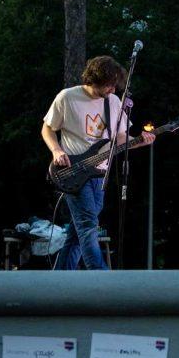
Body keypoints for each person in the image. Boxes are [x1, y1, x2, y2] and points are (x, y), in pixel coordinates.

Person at [41, 55, 154, 270]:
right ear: (95, 79)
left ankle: (58, 279)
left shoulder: (113, 102)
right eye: (109, 85)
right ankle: (100, 276)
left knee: (78, 233)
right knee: (88, 227)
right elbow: (47, 128)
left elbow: (120, 138)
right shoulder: (67, 97)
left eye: (115, 86)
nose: (112, 90)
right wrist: (56, 150)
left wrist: (141, 141)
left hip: (100, 174)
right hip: (74, 171)